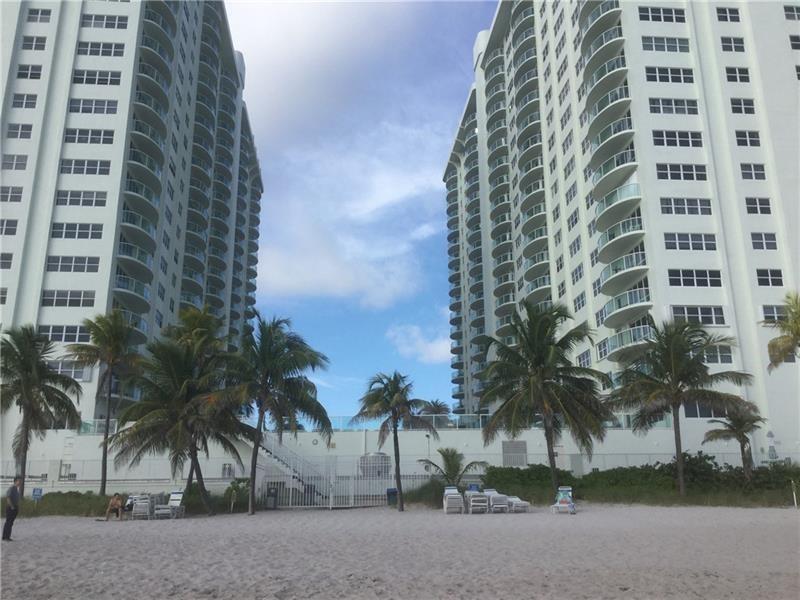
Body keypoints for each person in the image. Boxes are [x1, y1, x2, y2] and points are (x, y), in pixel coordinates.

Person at [3, 476, 22, 541]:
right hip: (11, 508)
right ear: (15, 481)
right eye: (19, 481)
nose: (20, 482)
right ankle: (6, 537)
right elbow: (8, 498)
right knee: (9, 522)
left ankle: (6, 536)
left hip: (15, 507)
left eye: (20, 481)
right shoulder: (12, 488)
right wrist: (12, 506)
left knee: (10, 522)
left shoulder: (16, 489)